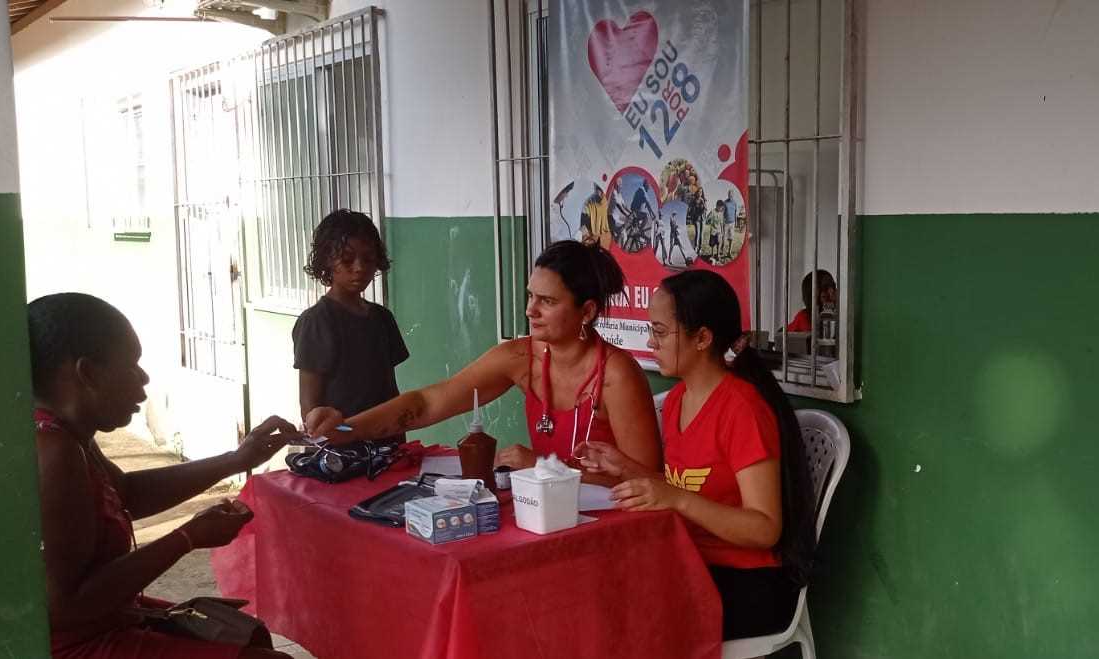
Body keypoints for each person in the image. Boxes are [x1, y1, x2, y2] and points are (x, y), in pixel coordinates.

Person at [29, 292, 304, 659]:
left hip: (103, 619)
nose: (143, 379)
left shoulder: (71, 435)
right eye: (131, 366)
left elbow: (127, 493)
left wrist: (236, 460)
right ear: (88, 373)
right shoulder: (54, 452)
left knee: (244, 634)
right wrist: (187, 537)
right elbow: (66, 607)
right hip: (73, 644)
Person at [305, 240, 662, 485]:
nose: (530, 310)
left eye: (548, 301)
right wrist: (345, 430)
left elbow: (648, 482)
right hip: (549, 516)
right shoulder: (521, 357)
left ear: (587, 311)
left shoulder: (617, 375)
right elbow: (427, 403)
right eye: (530, 296)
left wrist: (541, 466)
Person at [582, 271, 815, 640]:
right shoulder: (678, 400)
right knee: (590, 595)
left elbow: (764, 528)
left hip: (748, 580)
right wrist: (625, 468)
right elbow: (686, 488)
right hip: (691, 561)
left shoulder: (741, 409)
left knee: (623, 622)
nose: (651, 342)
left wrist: (675, 499)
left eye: (660, 332)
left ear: (703, 338)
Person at [293, 209, 409, 440]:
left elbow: (391, 391)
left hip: (388, 443)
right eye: (347, 259)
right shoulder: (316, 321)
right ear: (327, 260)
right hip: (342, 446)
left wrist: (399, 433)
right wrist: (340, 435)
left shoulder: (382, 318)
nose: (359, 267)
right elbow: (310, 409)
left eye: (368, 259)